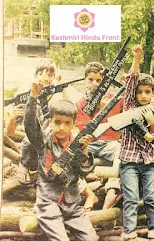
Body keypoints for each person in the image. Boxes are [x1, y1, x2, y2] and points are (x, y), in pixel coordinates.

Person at [16, 64, 98, 211]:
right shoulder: (26, 92)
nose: (46, 79)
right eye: (42, 74)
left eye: (50, 75)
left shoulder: (56, 94)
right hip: (39, 142)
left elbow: (71, 108)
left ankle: (88, 194)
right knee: (34, 142)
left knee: (65, 163)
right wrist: (32, 97)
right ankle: (25, 165)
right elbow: (26, 126)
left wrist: (62, 86)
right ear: (35, 76)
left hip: (57, 143)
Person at [24, 80, 98, 240]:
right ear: (50, 121)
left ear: (73, 124)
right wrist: (33, 98)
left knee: (91, 238)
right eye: (57, 122)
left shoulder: (77, 143)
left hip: (72, 204)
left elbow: (83, 170)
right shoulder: (43, 140)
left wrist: (84, 150)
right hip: (48, 202)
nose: (62, 127)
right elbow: (30, 126)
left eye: (67, 123)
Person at [119, 42, 154, 241]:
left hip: (149, 163)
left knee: (152, 198)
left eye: (147, 92)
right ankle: (129, 232)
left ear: (153, 93)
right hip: (129, 162)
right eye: (140, 92)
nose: (143, 95)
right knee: (131, 199)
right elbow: (130, 81)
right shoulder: (128, 106)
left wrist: (153, 125)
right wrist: (137, 59)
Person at [76, 62, 123, 167]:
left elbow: (130, 106)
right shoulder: (80, 104)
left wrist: (126, 87)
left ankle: (114, 180)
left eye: (98, 81)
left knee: (122, 154)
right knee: (73, 156)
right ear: (85, 80)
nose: (95, 84)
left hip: (110, 143)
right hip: (89, 144)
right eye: (90, 80)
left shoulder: (114, 99)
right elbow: (87, 132)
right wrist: (102, 110)